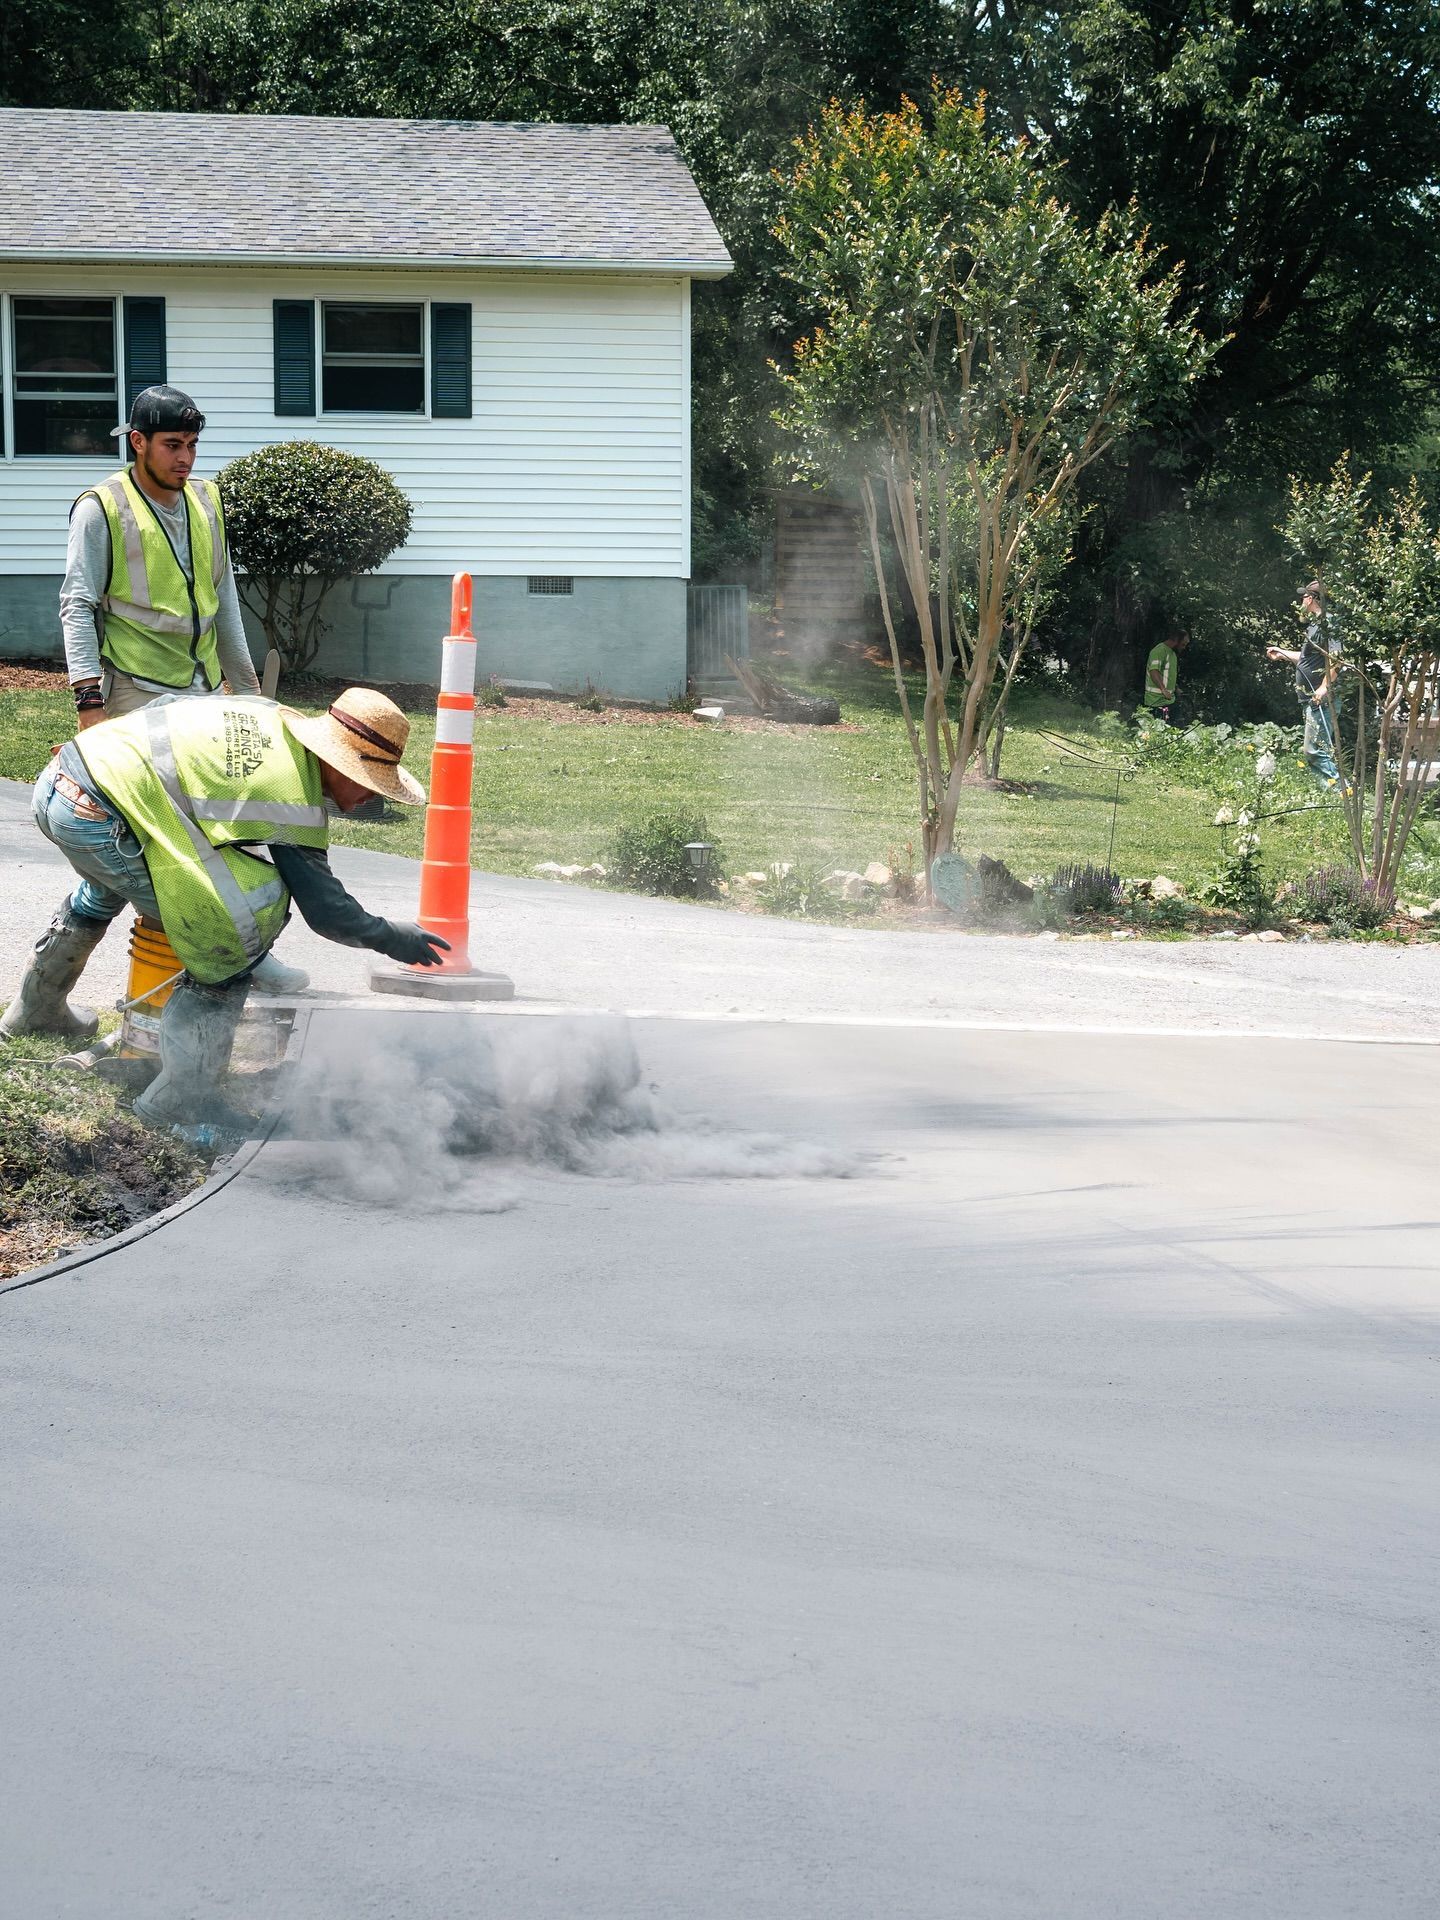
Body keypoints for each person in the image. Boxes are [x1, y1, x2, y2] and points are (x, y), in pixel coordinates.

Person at [0, 688, 450, 1130]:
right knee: (235, 926)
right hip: (98, 818)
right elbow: (328, 911)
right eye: (368, 783)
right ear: (334, 761)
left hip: (69, 776)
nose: (373, 798)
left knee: (107, 886)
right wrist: (394, 937)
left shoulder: (271, 716)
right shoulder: (291, 794)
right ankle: (179, 1102)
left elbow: (165, 710)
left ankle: (36, 1011)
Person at [62, 382, 307, 993]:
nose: (186, 459)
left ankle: (43, 996)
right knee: (156, 845)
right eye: (173, 445)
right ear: (137, 442)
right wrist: (90, 710)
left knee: (206, 831)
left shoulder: (206, 503)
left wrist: (249, 695)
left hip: (198, 697)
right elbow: (77, 608)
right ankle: (226, 957)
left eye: (193, 445)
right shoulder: (102, 508)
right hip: (133, 697)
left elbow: (224, 605)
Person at [1267, 580, 1344, 788]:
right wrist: (1282, 653)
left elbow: (1337, 658)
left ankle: (1339, 795)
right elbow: (1306, 660)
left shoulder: (1328, 623)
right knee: (1315, 750)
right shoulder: (1315, 625)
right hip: (1312, 698)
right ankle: (1334, 797)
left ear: (1311, 599)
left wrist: (1323, 687)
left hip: (1321, 699)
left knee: (1315, 750)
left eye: (1303, 597)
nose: (1301, 601)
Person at [1141, 630, 1187, 720]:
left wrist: (1176, 688)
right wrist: (1163, 690)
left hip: (1169, 700)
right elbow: (1154, 671)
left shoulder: (1173, 654)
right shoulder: (1159, 651)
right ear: (1176, 640)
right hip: (1155, 701)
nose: (1184, 647)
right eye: (1183, 644)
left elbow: (1167, 675)